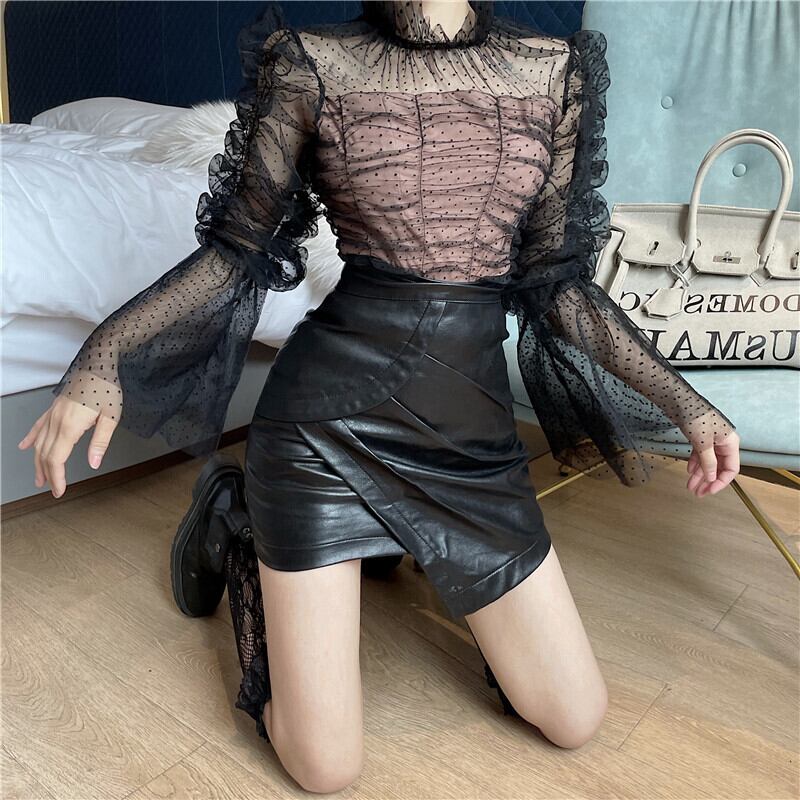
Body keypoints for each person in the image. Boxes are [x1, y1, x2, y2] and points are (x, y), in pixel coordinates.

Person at [19, 1, 740, 793]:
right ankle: (237, 522)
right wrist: (101, 359)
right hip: (324, 427)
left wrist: (686, 404)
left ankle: (377, 547)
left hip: (470, 444)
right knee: (325, 768)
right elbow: (235, 253)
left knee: (575, 718)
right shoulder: (310, 62)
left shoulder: (553, 71)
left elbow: (557, 286)